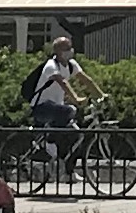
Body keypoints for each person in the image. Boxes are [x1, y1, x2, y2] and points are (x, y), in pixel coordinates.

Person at [27, 35, 91, 171]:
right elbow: (63, 82)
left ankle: (68, 172)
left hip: (56, 109)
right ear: (57, 51)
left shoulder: (71, 65)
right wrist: (76, 98)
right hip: (42, 107)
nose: (70, 51)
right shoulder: (51, 65)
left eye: (70, 47)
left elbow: (86, 80)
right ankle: (49, 142)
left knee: (78, 136)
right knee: (69, 110)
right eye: (66, 48)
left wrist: (102, 95)